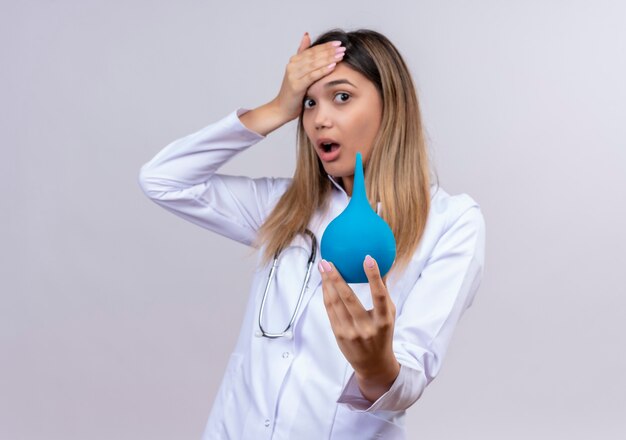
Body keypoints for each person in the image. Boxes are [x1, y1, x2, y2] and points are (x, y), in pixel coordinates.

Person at [138, 28, 486, 440]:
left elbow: (409, 377)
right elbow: (163, 180)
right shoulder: (285, 207)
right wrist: (275, 108)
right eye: (309, 102)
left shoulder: (450, 223)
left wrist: (377, 368)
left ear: (391, 106)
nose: (319, 119)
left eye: (341, 97)